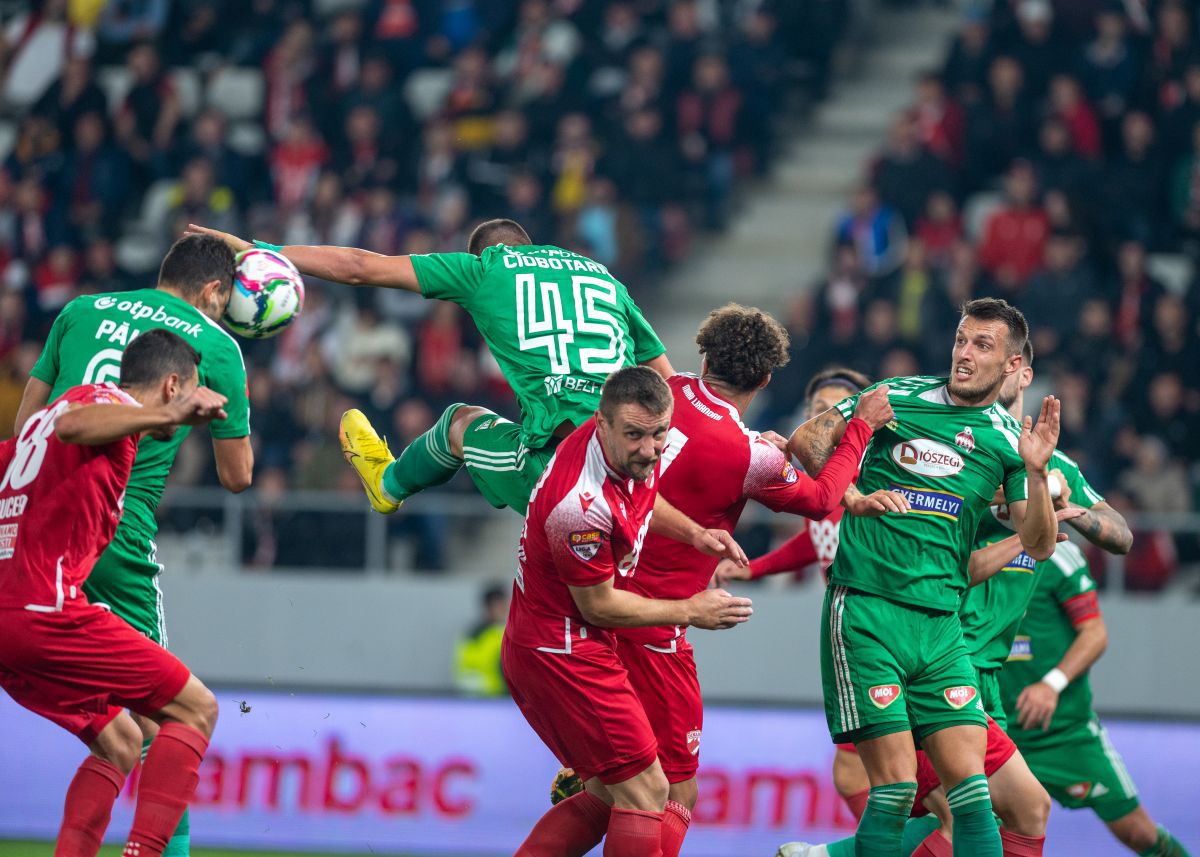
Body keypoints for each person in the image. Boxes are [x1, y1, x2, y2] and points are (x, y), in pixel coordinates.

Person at [548, 307, 893, 856]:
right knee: (673, 794)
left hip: (605, 600)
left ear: (705, 356)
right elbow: (822, 499)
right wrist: (860, 431)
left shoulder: (664, 393)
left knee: (621, 790)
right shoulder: (747, 453)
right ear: (764, 379)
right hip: (660, 625)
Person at [784, 297, 1060, 856]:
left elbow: (1038, 543)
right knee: (895, 790)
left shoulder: (1010, 441)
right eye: (962, 339)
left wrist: (1035, 470)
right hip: (867, 611)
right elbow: (804, 447)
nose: (964, 354)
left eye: (982, 345)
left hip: (941, 628)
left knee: (974, 798)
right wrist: (853, 493)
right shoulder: (896, 396)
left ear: (1011, 365)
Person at [13, 232, 251, 857]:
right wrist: (175, 416)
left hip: (29, 524)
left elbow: (27, 429)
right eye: (224, 303)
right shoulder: (212, 344)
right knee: (181, 714)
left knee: (125, 737)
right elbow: (237, 477)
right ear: (213, 294)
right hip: (110, 536)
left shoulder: (80, 308)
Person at [187, 218, 672, 516]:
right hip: (639, 455)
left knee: (459, 424)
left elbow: (360, 265)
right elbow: (667, 380)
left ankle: (388, 485)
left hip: (567, 464)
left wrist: (261, 251)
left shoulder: (486, 269)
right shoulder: (602, 277)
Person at [504, 366, 752, 857]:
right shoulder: (579, 507)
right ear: (601, 424)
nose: (649, 448)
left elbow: (641, 495)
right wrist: (690, 610)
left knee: (608, 794)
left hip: (568, 644)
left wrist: (695, 534)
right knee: (648, 791)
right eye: (635, 435)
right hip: (563, 654)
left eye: (659, 433)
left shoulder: (632, 448)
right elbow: (598, 606)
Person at [1000, 504, 1192, 855]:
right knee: (957, 829)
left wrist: (1051, 684)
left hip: (1063, 734)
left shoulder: (1058, 556)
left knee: (1138, 832)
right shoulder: (976, 552)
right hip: (995, 733)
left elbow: (1095, 633)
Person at [452, 583, 509, 697]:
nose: (503, 609)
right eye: (499, 605)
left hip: (499, 697)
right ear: (488, 607)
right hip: (487, 698)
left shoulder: (504, 632)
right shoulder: (475, 636)